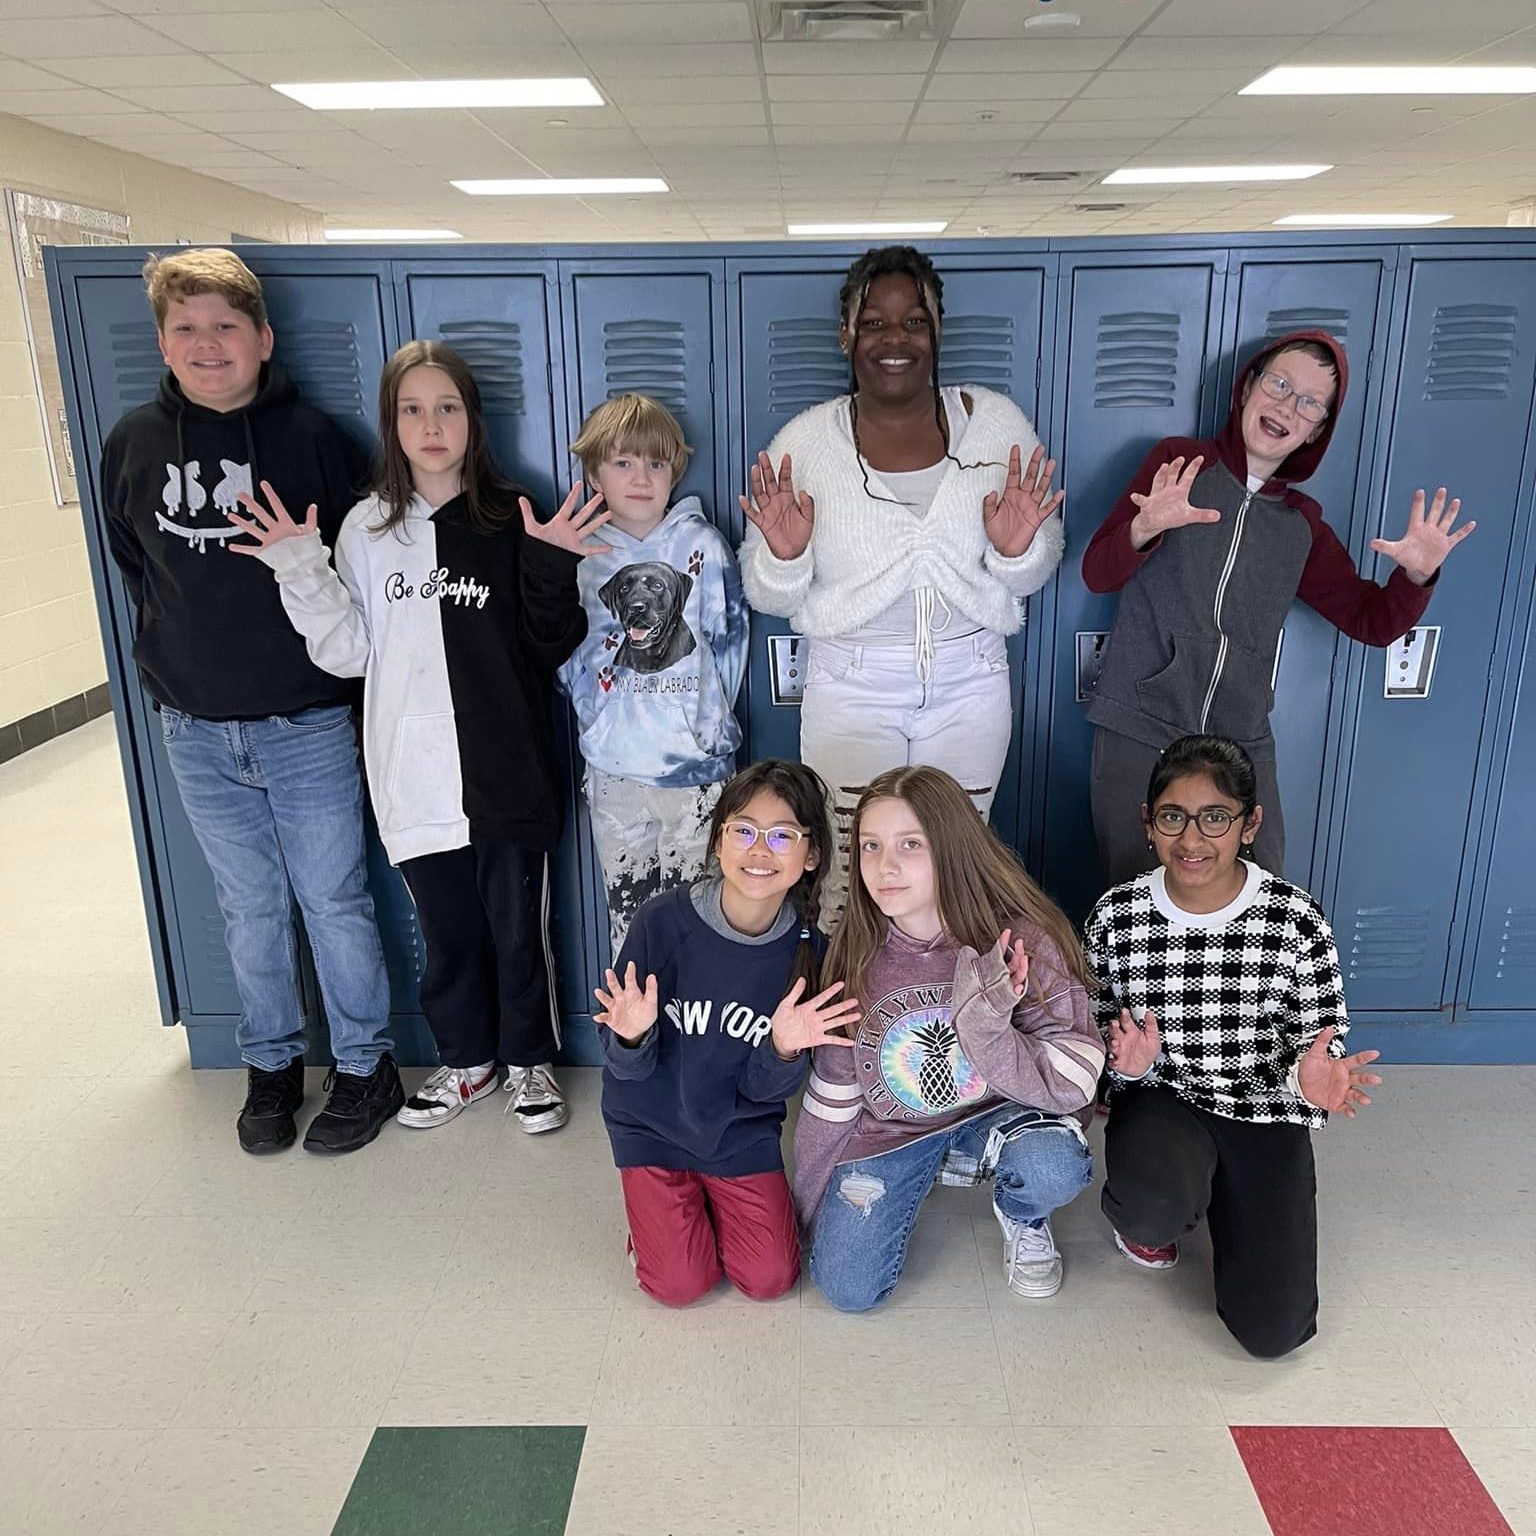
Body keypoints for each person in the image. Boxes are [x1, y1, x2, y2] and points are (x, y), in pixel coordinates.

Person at [226, 340, 606, 1134]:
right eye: (412, 409)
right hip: (412, 773)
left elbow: (548, 645)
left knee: (517, 930)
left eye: (447, 407)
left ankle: (530, 1064)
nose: (430, 425)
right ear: (391, 422)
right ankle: (468, 1062)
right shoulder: (367, 528)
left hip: (505, 769)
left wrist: (547, 566)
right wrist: (299, 568)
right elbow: (349, 653)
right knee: (448, 935)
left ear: (472, 418)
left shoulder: (512, 514)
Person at [100, 248, 400, 1156]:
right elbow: (132, 564)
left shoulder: (314, 441)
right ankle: (270, 1066)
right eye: (186, 328)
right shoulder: (133, 444)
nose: (208, 345)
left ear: (263, 338)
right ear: (162, 341)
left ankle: (364, 1067)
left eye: (226, 326)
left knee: (334, 900)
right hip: (194, 727)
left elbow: (360, 576)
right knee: (249, 907)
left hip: (305, 722)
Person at [738, 245, 1065, 914]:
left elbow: (1035, 568)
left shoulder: (995, 424)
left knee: (951, 873)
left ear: (938, 329)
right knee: (852, 882)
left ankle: (936, 1021)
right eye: (875, 322)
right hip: (852, 687)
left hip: (969, 680)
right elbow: (767, 593)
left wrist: (1014, 551)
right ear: (846, 334)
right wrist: (787, 558)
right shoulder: (805, 443)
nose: (896, 339)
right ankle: (857, 1019)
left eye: (915, 321)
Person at [1082, 329, 1473, 885]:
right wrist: (1145, 527)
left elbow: (1373, 621)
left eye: (1310, 402)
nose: (1288, 405)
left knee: (1264, 899)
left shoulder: (1301, 526)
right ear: (1246, 390)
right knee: (1134, 898)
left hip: (1239, 739)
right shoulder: (1178, 464)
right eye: (1280, 384)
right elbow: (1097, 573)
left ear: (1318, 428)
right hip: (1138, 722)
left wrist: (1417, 574)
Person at [1084, 734, 1382, 1359]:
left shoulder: (1294, 920)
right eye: (1174, 817)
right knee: (1151, 1207)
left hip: (1266, 1115)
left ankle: (1231, 1197)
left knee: (1272, 1333)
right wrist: (1126, 1069)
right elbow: (1097, 1037)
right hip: (1166, 1103)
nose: (1192, 840)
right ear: (1148, 824)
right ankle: (1169, 1212)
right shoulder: (1118, 917)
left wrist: (1309, 1084)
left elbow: (1321, 1042)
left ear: (1251, 824)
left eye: (1215, 818)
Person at [796, 765, 1103, 1310]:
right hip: (893, 1132)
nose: (884, 867)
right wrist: (807, 1207)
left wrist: (984, 1021)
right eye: (870, 846)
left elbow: (1075, 1081)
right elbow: (832, 1097)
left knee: (1052, 1165)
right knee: (847, 1290)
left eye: (910, 844)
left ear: (950, 848)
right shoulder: (856, 953)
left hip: (1000, 1117)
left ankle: (1021, 1211)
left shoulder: (1021, 939)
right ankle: (932, 1166)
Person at [593, 759, 856, 1307]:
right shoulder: (661, 924)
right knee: (679, 1286)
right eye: (744, 831)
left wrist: (783, 1049)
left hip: (738, 1135)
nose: (761, 851)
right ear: (717, 843)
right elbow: (623, 1070)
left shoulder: (809, 955)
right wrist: (633, 1037)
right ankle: (659, 1222)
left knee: (770, 1280)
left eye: (783, 835)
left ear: (811, 857)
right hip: (652, 1127)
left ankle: (698, 1204)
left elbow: (764, 1093)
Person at [558, 393, 749, 959]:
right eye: (623, 462)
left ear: (674, 472)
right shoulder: (581, 554)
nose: (640, 477)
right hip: (616, 774)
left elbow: (729, 645)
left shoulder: (704, 546)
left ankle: (697, 1041)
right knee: (630, 920)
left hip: (694, 774)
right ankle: (634, 1042)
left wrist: (703, 727)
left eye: (656, 463)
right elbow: (568, 655)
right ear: (594, 472)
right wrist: (599, 723)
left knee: (701, 919)